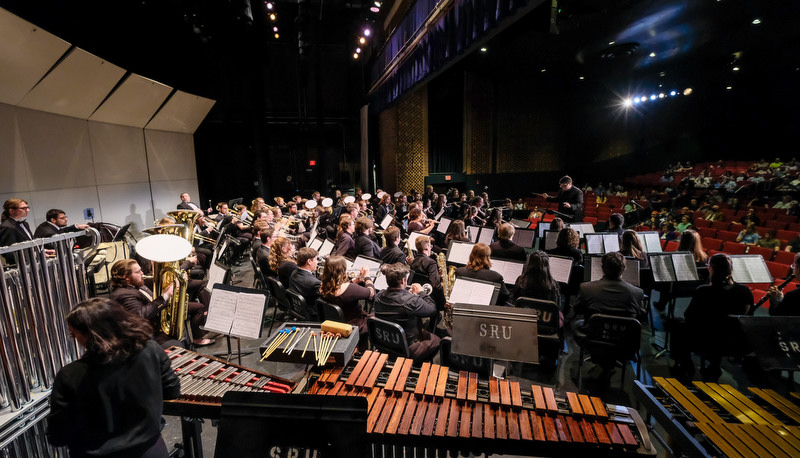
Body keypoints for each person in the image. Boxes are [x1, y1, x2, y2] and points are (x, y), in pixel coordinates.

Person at [46, 297, 181, 457]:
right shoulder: (150, 350)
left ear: (91, 334)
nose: (75, 339)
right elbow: (172, 390)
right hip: (151, 451)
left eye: (74, 334)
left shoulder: (69, 375)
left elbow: (58, 436)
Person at [670, 253, 753, 382]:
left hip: (705, 340)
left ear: (711, 269)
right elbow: (748, 317)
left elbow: (689, 315)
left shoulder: (703, 291)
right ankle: (714, 366)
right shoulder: (745, 291)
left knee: (677, 325)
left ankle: (686, 365)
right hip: (734, 342)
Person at [109, 259, 213, 347]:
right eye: (138, 272)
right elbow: (141, 314)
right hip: (146, 336)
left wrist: (178, 281)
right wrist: (165, 295)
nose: (142, 273)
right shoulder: (123, 294)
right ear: (126, 277)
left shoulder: (135, 284)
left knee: (183, 334)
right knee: (178, 344)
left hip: (154, 323)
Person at [374, 262, 441, 364]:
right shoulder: (411, 301)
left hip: (384, 343)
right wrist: (421, 292)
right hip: (407, 348)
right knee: (437, 340)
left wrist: (408, 295)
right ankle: (417, 365)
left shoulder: (378, 296)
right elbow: (432, 309)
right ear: (403, 280)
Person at [573, 252, 645, 324]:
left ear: (602, 267)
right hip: (623, 334)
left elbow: (577, 310)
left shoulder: (586, 288)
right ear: (624, 268)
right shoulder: (637, 293)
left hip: (594, 333)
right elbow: (641, 317)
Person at [319, 255, 374, 338]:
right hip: (354, 325)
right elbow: (371, 293)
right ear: (342, 270)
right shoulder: (350, 289)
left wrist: (353, 281)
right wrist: (367, 277)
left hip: (335, 323)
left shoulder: (322, 287)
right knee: (376, 316)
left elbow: (338, 287)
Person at [511, 251, 563, 327]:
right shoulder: (553, 285)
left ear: (529, 264)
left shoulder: (521, 281)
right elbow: (556, 307)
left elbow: (514, 302)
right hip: (546, 325)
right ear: (547, 266)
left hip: (522, 322)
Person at [409, 235, 446, 311]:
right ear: (426, 248)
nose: (430, 248)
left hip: (417, 294)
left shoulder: (413, 262)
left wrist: (438, 275)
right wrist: (443, 302)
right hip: (429, 297)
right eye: (430, 246)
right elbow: (435, 285)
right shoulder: (431, 262)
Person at [288, 247, 321, 319]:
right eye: (316, 259)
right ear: (309, 261)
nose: (317, 262)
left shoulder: (294, 273)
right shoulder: (315, 283)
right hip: (312, 315)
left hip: (298, 310)